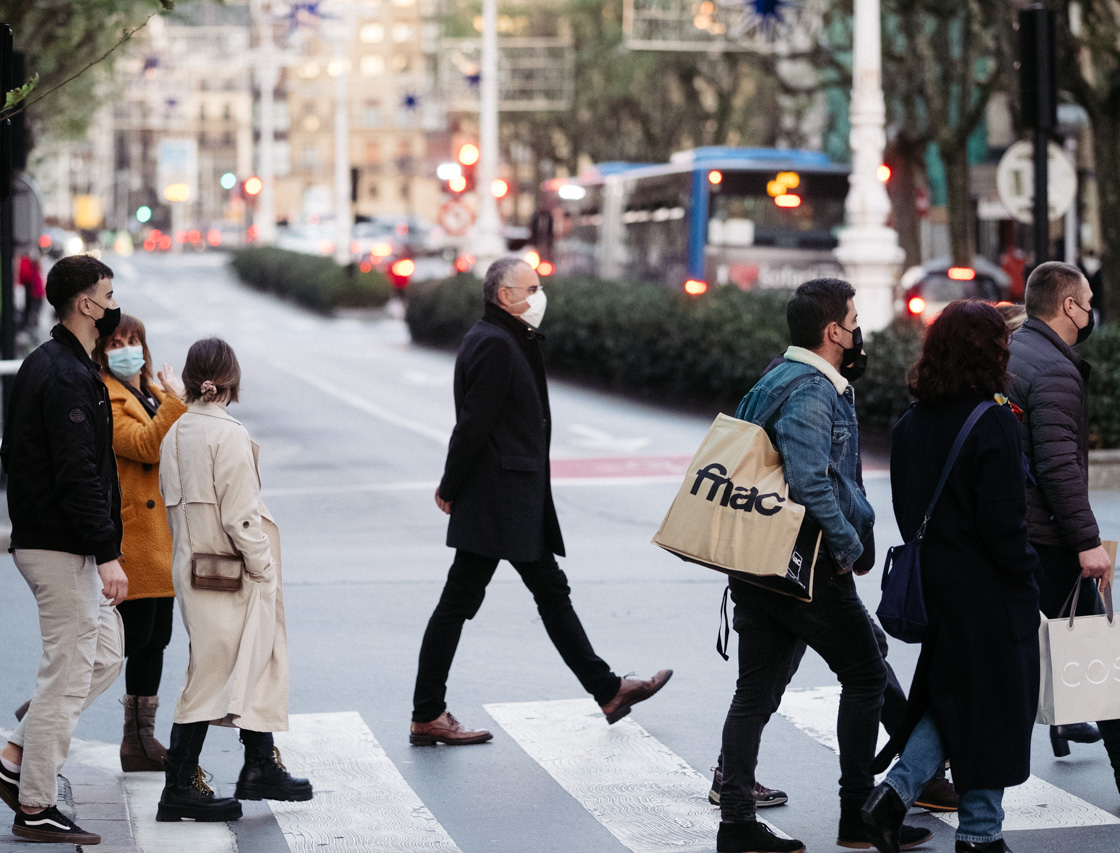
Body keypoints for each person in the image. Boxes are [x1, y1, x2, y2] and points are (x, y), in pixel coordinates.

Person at [410, 256, 672, 746]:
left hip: (507, 494)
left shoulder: (506, 338)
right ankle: (428, 714)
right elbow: (473, 423)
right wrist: (451, 485)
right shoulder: (495, 343)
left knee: (535, 594)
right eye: (531, 287)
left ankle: (607, 690)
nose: (539, 295)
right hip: (499, 498)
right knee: (474, 602)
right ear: (504, 295)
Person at [714, 278, 930, 853]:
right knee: (863, 674)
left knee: (754, 695)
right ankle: (858, 814)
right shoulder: (812, 390)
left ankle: (735, 825)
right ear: (834, 331)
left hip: (756, 562)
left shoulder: (774, 378)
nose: (859, 332)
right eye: (854, 321)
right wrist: (850, 548)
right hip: (804, 567)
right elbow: (812, 481)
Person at [862, 301, 1042, 853]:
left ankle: (892, 795)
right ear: (988, 350)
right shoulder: (994, 419)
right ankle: (981, 834)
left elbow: (904, 505)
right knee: (994, 706)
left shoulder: (912, 422)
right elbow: (1005, 523)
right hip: (988, 589)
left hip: (934, 584)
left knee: (953, 696)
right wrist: (1027, 578)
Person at [0, 254, 127, 845]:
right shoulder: (63, 372)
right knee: (67, 673)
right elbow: (77, 474)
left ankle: (16, 755)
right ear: (87, 304)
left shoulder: (58, 363)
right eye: (109, 295)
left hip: (62, 545)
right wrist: (108, 552)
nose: (114, 305)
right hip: (61, 549)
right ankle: (35, 804)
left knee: (105, 654)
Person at [155, 337, 311, 823]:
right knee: (214, 673)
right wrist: (262, 566)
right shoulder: (228, 435)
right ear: (230, 381)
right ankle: (180, 784)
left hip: (193, 565)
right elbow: (241, 516)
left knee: (240, 662)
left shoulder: (176, 432)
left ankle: (259, 763)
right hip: (233, 570)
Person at [1006, 261, 1120, 792]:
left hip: (1006, 530)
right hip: (1048, 537)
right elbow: (1057, 465)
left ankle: (914, 780)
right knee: (1097, 658)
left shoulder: (1013, 351)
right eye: (1088, 301)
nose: (1091, 310)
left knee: (988, 663)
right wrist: (1087, 542)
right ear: (1069, 305)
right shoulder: (1052, 368)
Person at [91, 314, 188, 771]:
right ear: (101, 350)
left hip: (160, 535)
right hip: (133, 534)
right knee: (128, 639)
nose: (127, 349)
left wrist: (173, 400)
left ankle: (139, 742)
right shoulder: (106, 396)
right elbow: (146, 446)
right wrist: (175, 401)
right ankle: (46, 712)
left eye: (134, 341)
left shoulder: (146, 393)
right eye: (116, 342)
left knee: (157, 639)